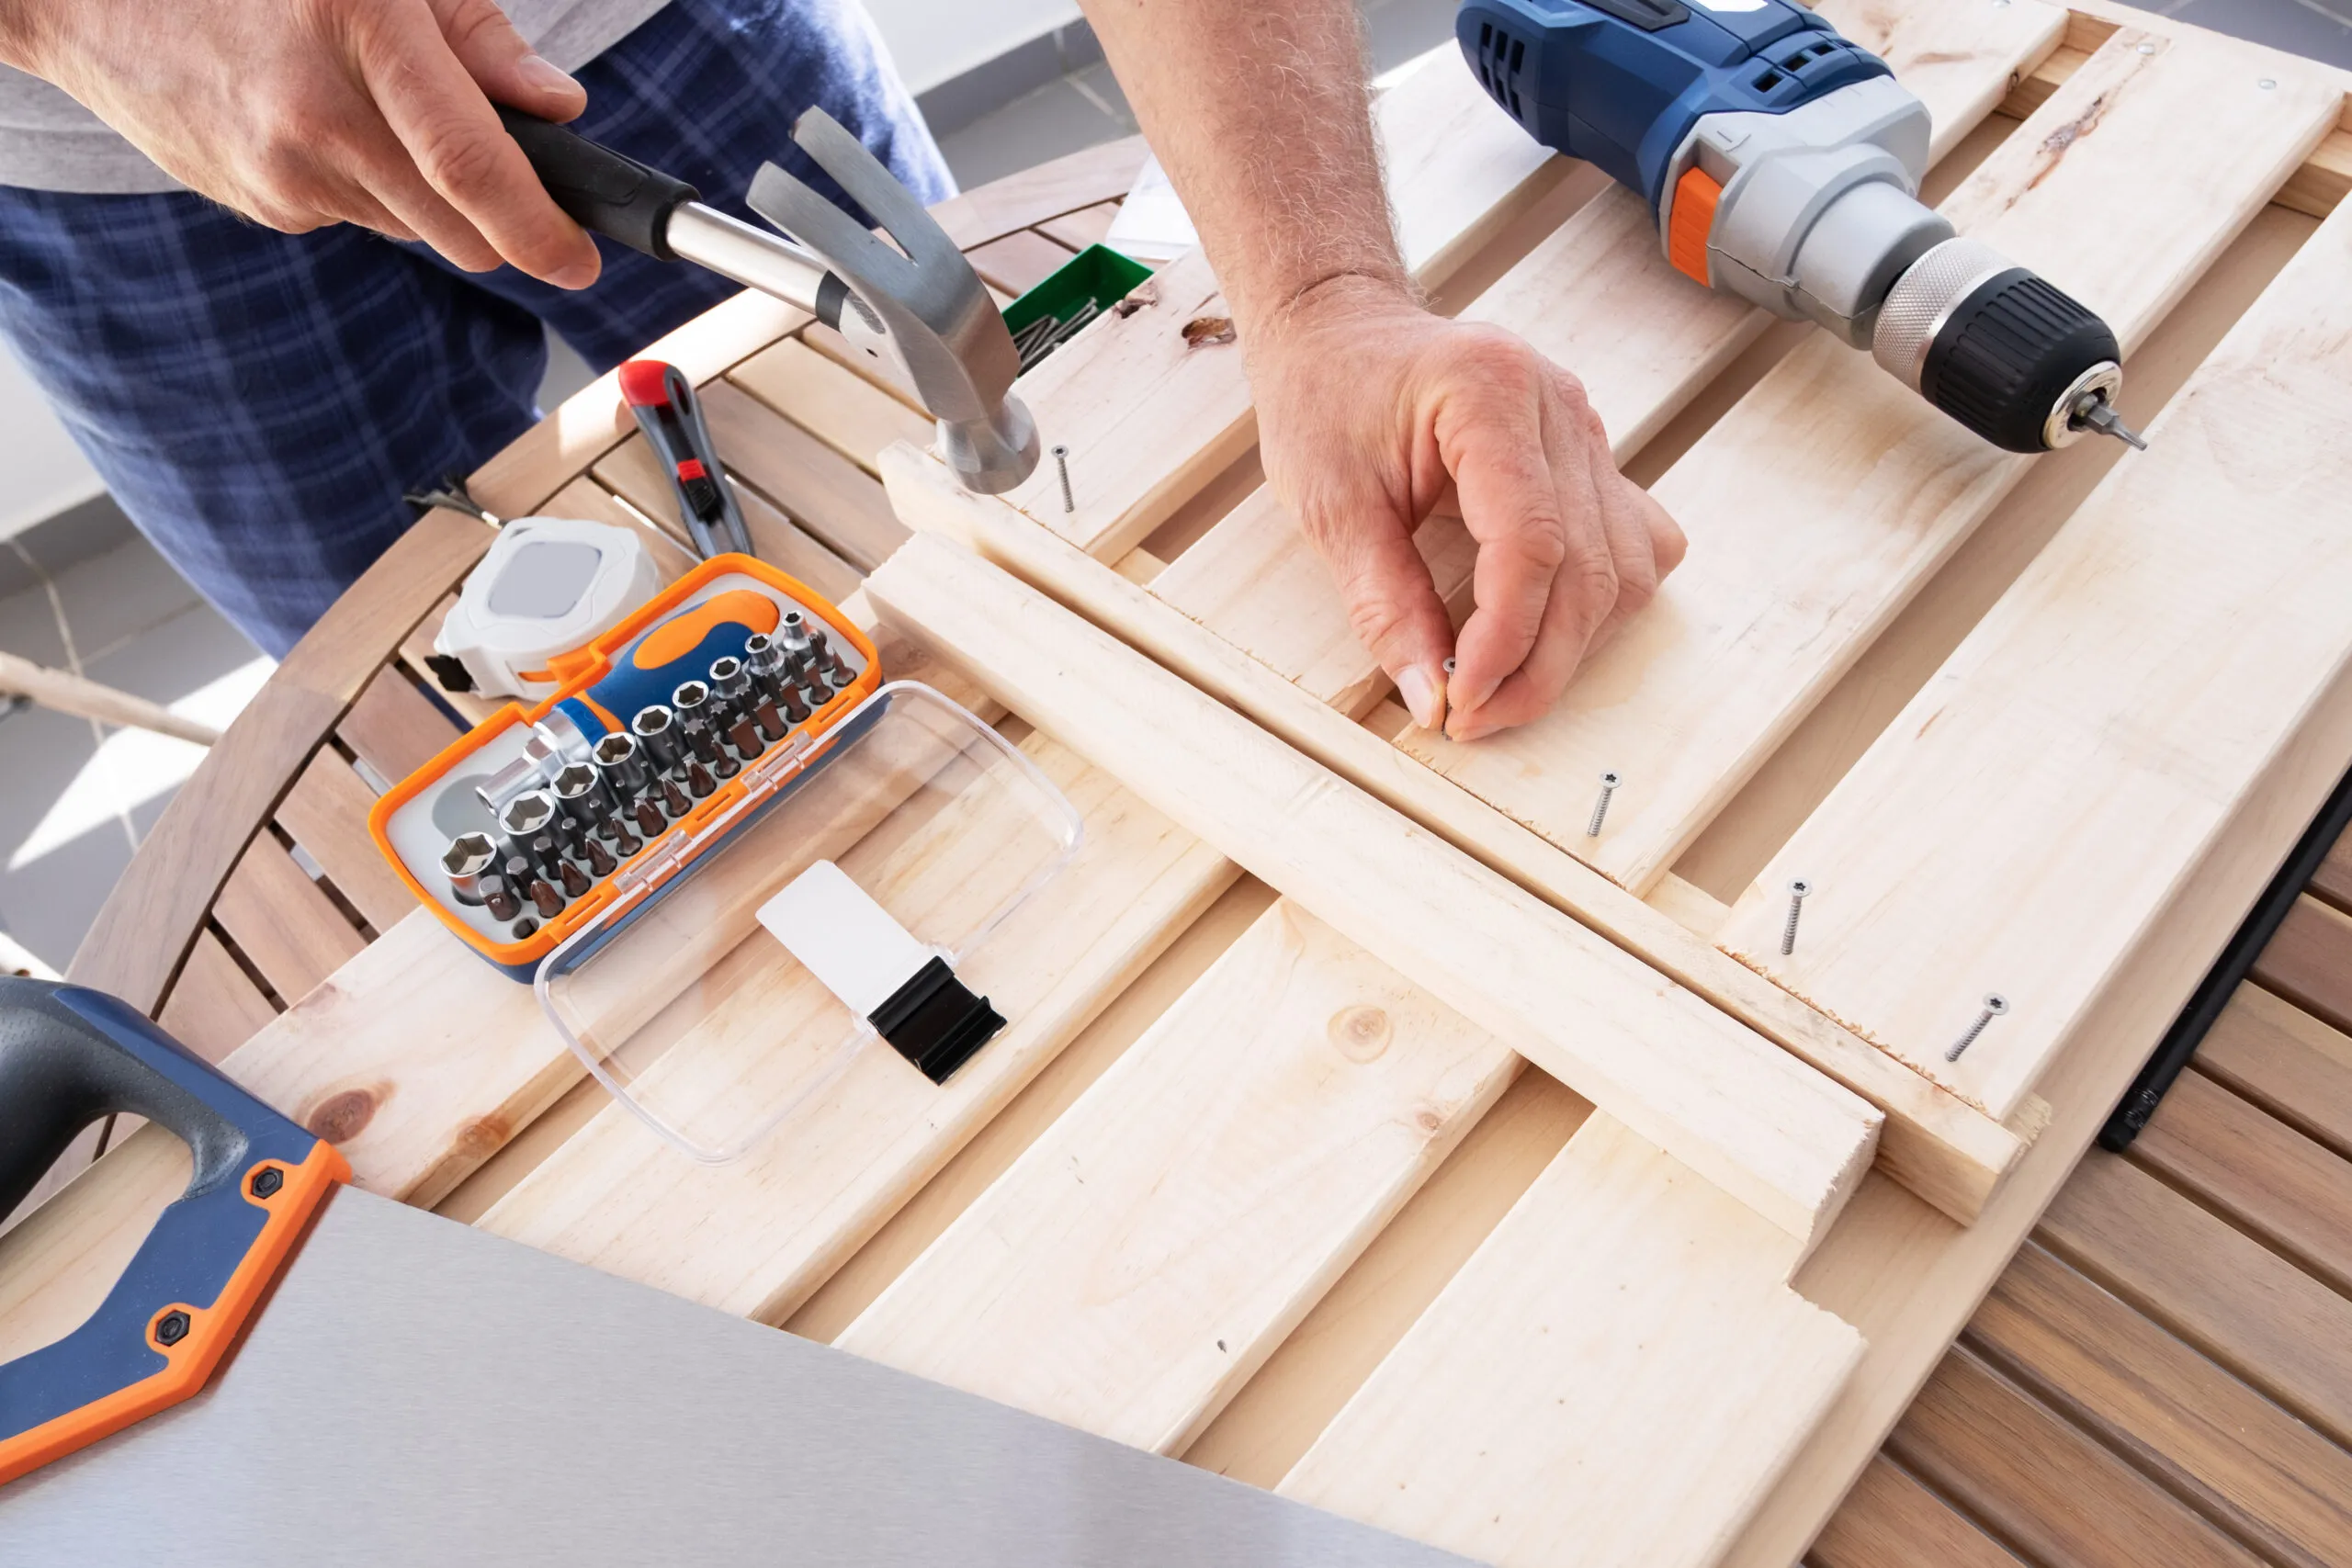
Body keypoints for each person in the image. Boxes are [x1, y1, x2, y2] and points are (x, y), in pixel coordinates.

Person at [0, 0, 1680, 739]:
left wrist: (1324, 294)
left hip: (647, 24)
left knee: (922, 433)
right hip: (109, 162)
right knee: (434, 683)